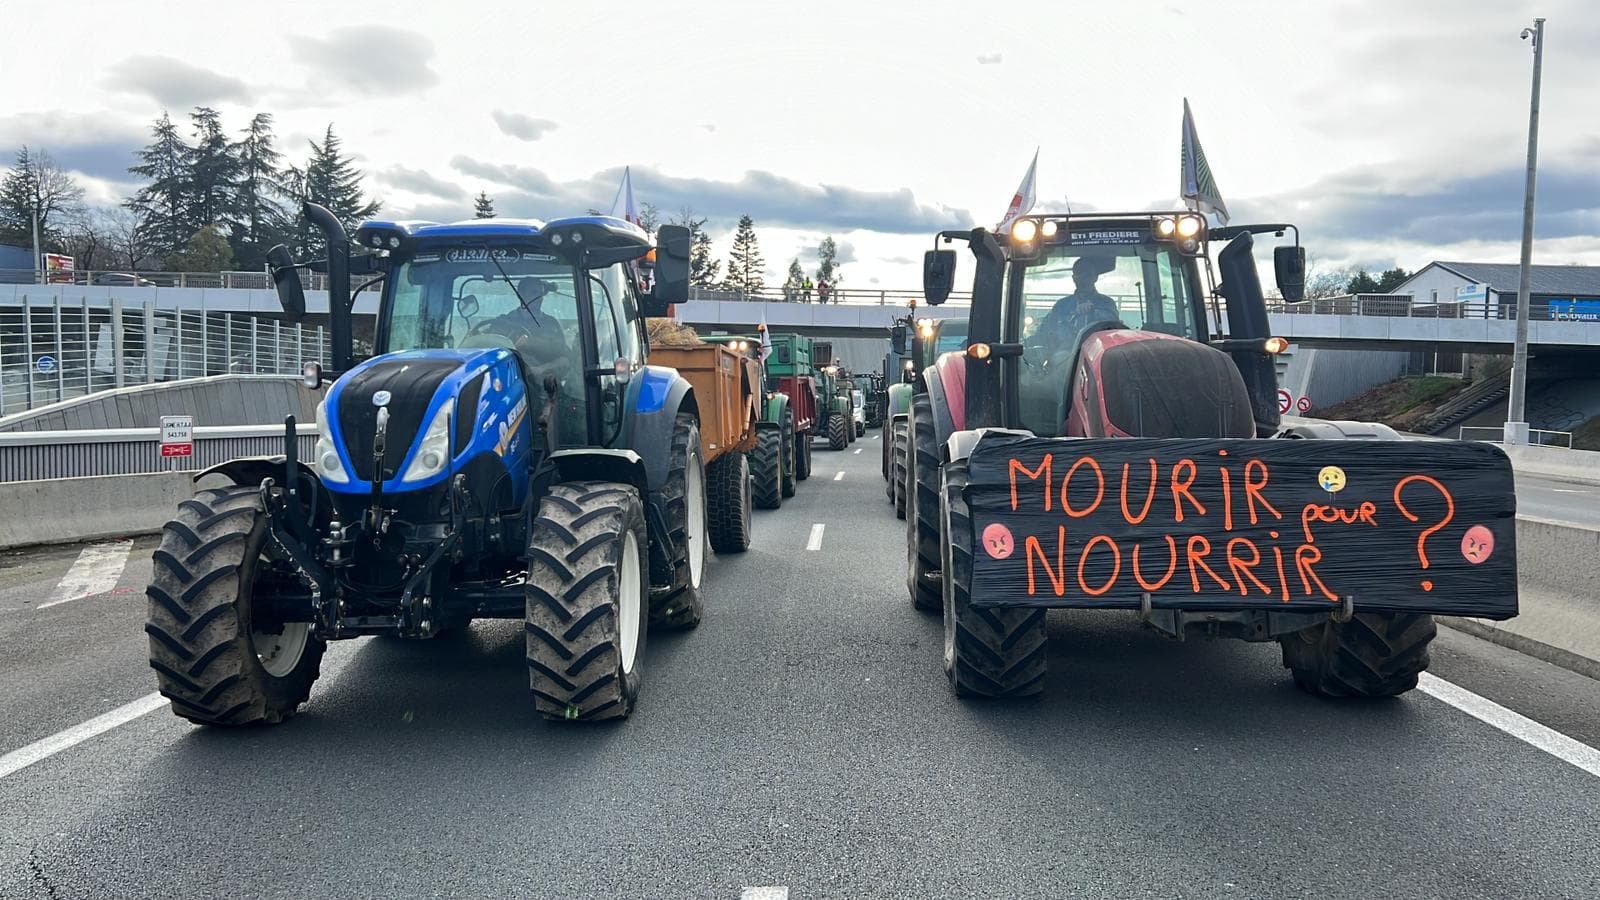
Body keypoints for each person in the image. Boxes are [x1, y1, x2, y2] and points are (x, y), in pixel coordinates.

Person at [1030, 252, 1121, 358]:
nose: (1083, 278)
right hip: (1066, 357)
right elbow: (1045, 332)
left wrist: (1093, 312)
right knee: (1058, 358)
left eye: (1087, 274)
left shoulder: (1106, 303)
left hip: (1098, 354)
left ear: (1095, 277)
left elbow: (1113, 325)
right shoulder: (1062, 306)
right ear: (1074, 278)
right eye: (1079, 274)